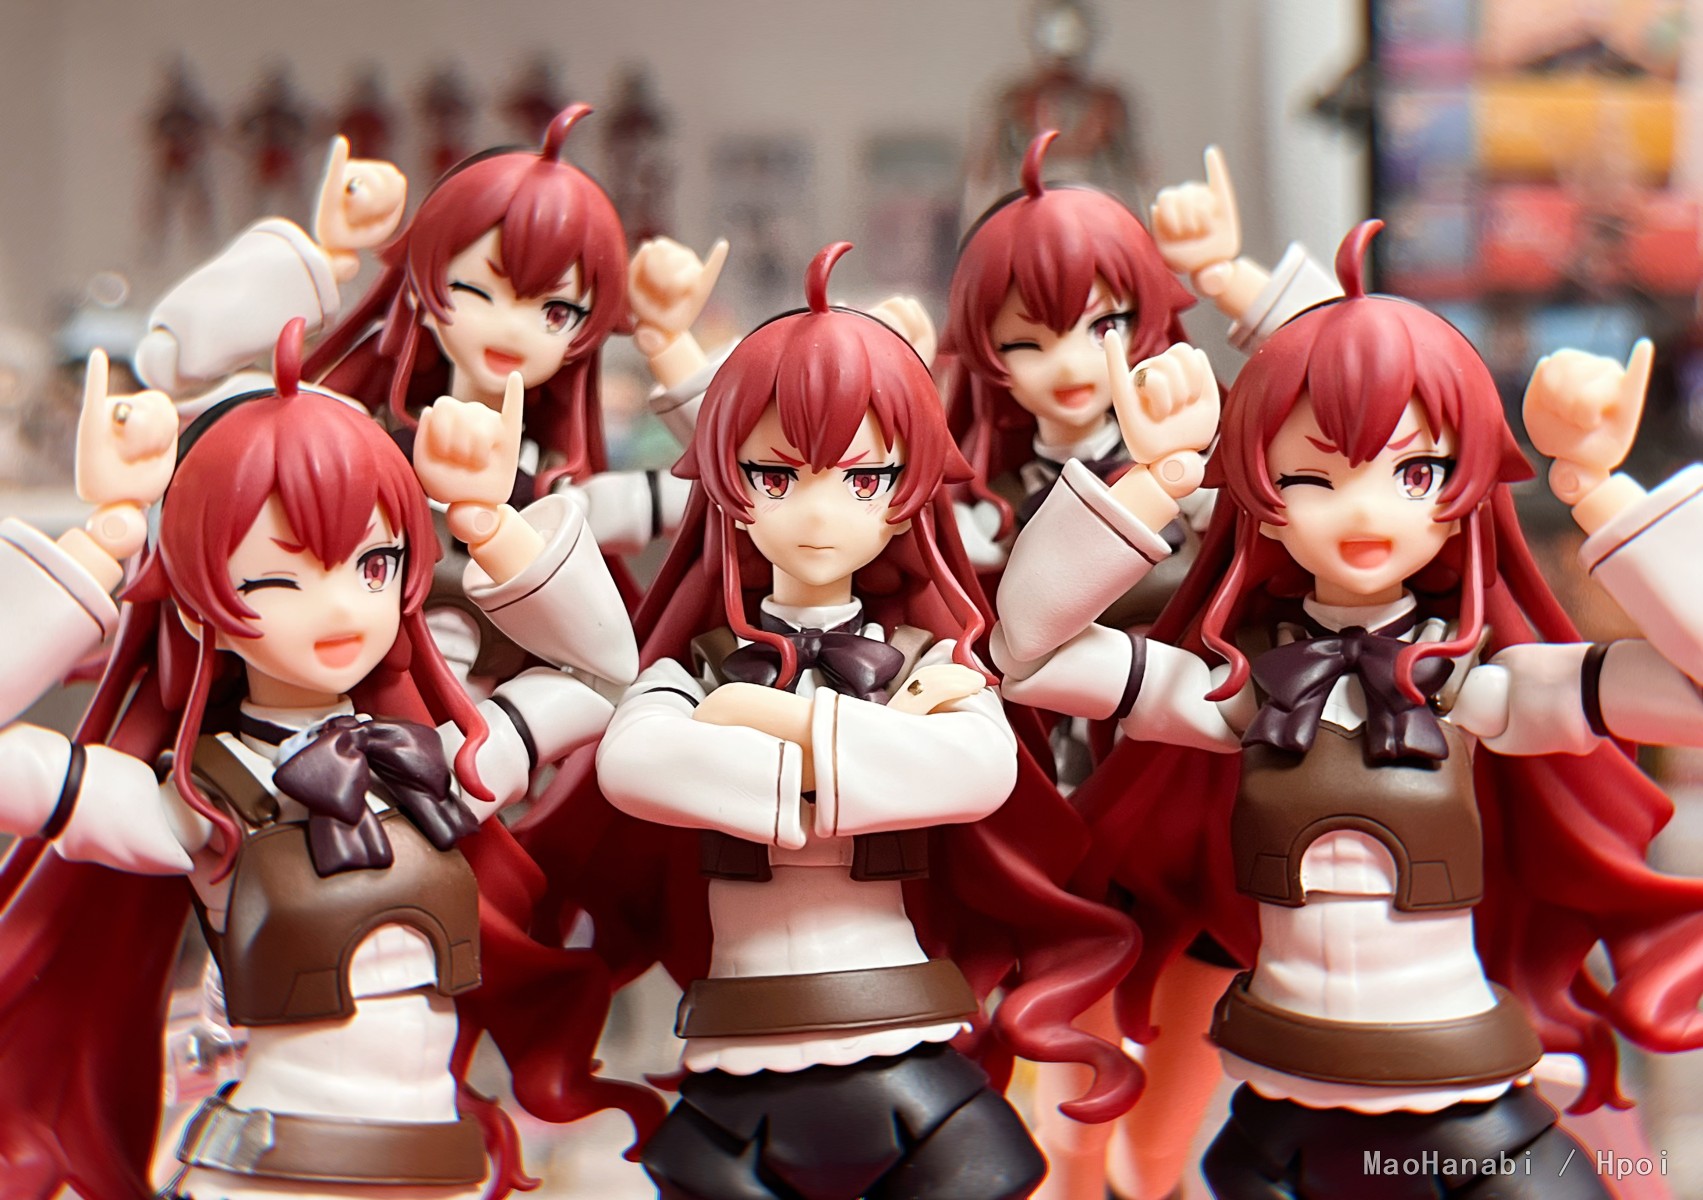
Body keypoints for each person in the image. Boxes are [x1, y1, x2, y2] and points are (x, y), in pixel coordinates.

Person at [996, 220, 1703, 1197]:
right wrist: (1153, 482)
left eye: (1412, 473)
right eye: (1310, 476)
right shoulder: (1239, 687)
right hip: (1280, 1089)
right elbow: (1028, 654)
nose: (1364, 511)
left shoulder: (1476, 685)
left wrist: (1599, 490)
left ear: (1462, 487)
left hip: (1455, 1077)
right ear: (1260, 491)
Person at [0, 322, 656, 1199]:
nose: (341, 608)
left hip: (437, 1167)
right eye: (277, 579)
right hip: (272, 1172)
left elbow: (604, 676)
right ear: (196, 606)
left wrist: (490, 525)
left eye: (373, 565)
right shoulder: (197, 802)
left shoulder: (440, 767)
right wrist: (102, 540)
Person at [544, 243, 1140, 1199]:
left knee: (991, 1172)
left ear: (904, 503)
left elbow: (978, 768)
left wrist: (765, 719)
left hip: (900, 1019)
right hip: (739, 1034)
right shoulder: (693, 670)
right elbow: (634, 763)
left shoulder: (925, 660)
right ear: (732, 492)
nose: (819, 514)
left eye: (861, 480)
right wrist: (865, 749)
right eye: (778, 477)